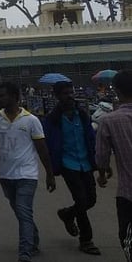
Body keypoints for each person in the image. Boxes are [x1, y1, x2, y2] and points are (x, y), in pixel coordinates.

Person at [0, 82, 56, 262]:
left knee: (23, 211)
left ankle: (25, 253)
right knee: (21, 212)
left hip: (27, 175)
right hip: (6, 175)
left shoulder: (31, 120)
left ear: (15, 97)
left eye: (2, 96)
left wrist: (49, 173)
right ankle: (33, 239)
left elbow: (42, 149)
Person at [43, 81, 102, 255]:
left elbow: (91, 138)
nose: (69, 96)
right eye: (65, 93)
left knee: (91, 199)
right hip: (68, 164)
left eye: (71, 92)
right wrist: (50, 170)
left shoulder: (82, 115)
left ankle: (68, 214)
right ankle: (86, 240)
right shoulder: (52, 120)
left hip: (85, 162)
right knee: (82, 201)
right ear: (57, 96)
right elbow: (47, 144)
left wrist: (97, 160)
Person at [96, 70, 132, 261]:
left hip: (127, 193)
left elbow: (101, 156)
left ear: (116, 91)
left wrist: (102, 174)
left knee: (127, 237)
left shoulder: (109, 120)